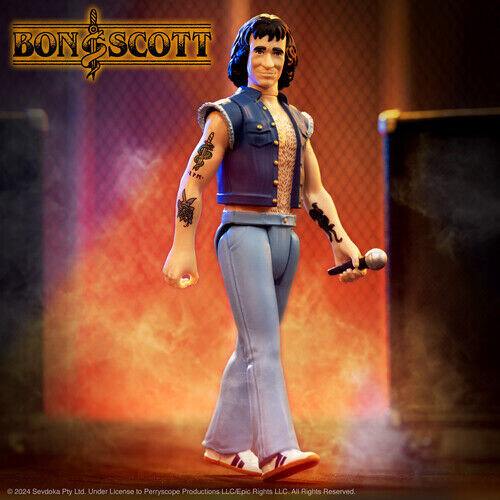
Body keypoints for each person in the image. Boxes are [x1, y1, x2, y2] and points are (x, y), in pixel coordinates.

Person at [163, 14, 366, 481]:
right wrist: (182, 245)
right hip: (244, 236)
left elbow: (314, 191)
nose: (269, 61)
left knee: (254, 343)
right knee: (265, 347)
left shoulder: (298, 121)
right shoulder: (226, 114)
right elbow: (192, 180)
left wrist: (341, 241)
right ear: (244, 55)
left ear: (287, 58)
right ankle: (278, 449)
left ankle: (223, 444)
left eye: (277, 52)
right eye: (260, 50)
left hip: (286, 239)